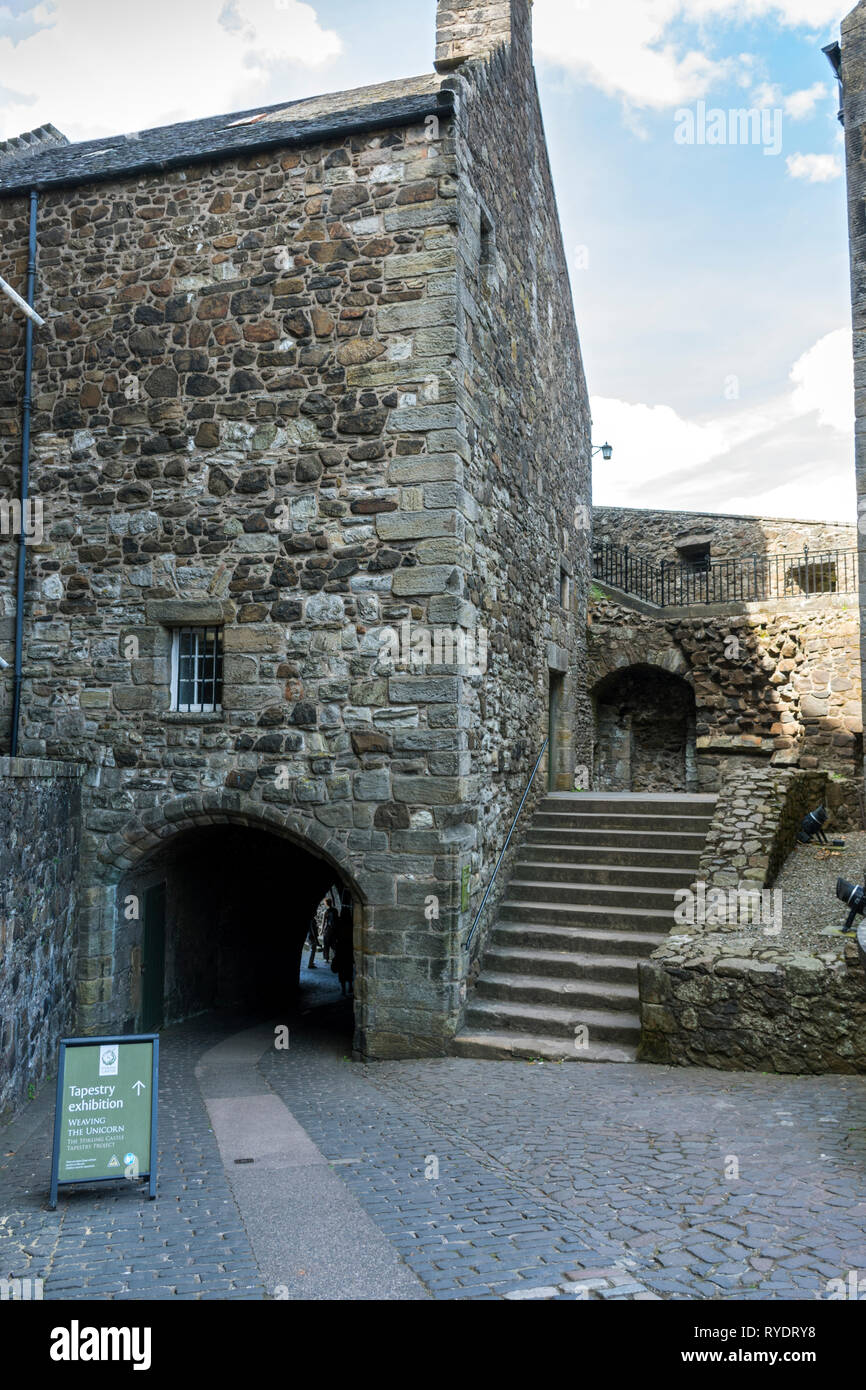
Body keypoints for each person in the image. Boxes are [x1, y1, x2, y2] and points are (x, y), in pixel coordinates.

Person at [330, 891, 354, 997]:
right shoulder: (350, 923)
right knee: (347, 969)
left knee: (342, 971)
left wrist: (335, 947)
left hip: (341, 949)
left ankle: (345, 988)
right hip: (347, 949)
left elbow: (334, 934)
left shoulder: (339, 923)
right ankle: (349, 986)